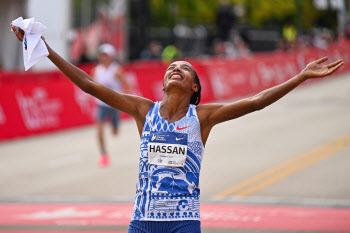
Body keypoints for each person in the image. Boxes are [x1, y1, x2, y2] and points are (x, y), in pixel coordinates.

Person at [11, 24, 343, 233]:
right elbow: (88, 84)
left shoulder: (202, 118)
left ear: (195, 89)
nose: (176, 69)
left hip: (182, 223)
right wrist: (45, 49)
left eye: (185, 69)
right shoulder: (144, 110)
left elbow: (256, 102)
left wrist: (300, 76)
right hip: (140, 222)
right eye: (172, 67)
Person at [91, 43, 130, 167]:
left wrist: (125, 98)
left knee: (115, 131)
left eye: (106, 55)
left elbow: (127, 86)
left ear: (111, 56)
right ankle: (103, 154)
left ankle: (115, 126)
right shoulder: (96, 70)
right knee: (99, 129)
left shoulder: (116, 70)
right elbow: (91, 84)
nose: (103, 57)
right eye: (101, 55)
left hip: (114, 104)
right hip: (101, 104)